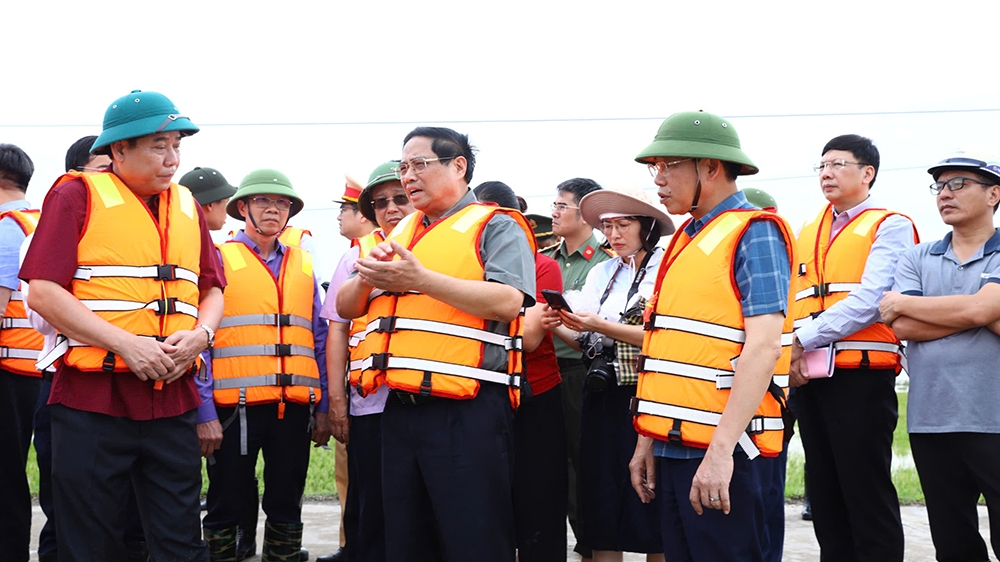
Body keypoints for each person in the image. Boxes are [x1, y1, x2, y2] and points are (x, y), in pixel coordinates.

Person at [22, 90, 224, 562]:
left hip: (172, 399)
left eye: (177, 145)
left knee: (180, 542)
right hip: (92, 398)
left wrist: (202, 335)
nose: (172, 159)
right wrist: (126, 344)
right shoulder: (75, 195)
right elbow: (43, 291)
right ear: (118, 150)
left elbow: (213, 289)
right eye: (158, 146)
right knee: (90, 542)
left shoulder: (188, 206)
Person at [336, 127, 536, 562]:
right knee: (406, 541)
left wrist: (420, 280)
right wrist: (368, 278)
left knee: (474, 538)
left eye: (419, 165)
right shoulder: (402, 232)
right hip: (400, 408)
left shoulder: (495, 225)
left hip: (468, 410)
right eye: (403, 167)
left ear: (458, 165)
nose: (408, 177)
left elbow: (508, 301)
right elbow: (346, 305)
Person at [628, 110, 795, 561]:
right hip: (674, 444)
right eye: (654, 168)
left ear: (711, 167)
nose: (658, 179)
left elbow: (763, 346)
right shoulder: (685, 238)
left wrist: (720, 453)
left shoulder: (754, 231)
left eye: (669, 166)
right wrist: (648, 440)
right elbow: (669, 347)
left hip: (729, 453)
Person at [789, 134, 916, 562]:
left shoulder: (890, 225)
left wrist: (799, 342)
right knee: (823, 488)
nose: (826, 173)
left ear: (868, 173)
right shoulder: (809, 229)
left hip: (861, 375)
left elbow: (870, 299)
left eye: (837, 164)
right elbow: (796, 300)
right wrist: (794, 351)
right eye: (821, 165)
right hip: (812, 373)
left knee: (865, 488)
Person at [202, 169, 330, 562]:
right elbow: (200, 343)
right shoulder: (219, 259)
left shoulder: (304, 265)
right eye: (263, 202)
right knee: (227, 498)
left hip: (293, 407)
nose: (274, 210)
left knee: (287, 498)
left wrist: (323, 407)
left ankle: (284, 556)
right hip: (232, 409)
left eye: (282, 203)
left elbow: (318, 337)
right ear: (242, 208)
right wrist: (203, 411)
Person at [878, 151, 1000, 561]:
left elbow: (981, 310)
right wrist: (979, 312)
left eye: (959, 184)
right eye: (940, 186)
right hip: (932, 419)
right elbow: (903, 327)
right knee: (952, 542)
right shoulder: (917, 257)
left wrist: (920, 307)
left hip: (995, 418)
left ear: (994, 194)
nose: (945, 194)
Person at [544, 186, 672, 562]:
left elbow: (663, 338)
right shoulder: (603, 271)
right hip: (600, 391)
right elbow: (585, 338)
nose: (613, 235)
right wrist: (556, 322)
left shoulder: (667, 267)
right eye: (608, 226)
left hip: (649, 390)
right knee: (600, 498)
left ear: (647, 225)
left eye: (623, 224)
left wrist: (600, 324)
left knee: (652, 499)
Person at [320, 160, 415, 562]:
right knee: (372, 500)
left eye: (401, 198)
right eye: (381, 202)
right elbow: (337, 329)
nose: (392, 208)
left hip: (428, 398)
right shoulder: (354, 258)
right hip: (371, 401)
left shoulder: (447, 251)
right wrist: (338, 402)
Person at [475, 180, 568, 562]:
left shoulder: (540, 266)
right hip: (485, 393)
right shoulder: (464, 266)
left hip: (536, 393)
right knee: (489, 500)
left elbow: (529, 338)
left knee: (538, 502)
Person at [542, 177, 612, 560]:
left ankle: (591, 547)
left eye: (561, 206)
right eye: (553, 205)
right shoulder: (548, 259)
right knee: (552, 468)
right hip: (544, 371)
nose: (554, 212)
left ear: (586, 213)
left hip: (582, 371)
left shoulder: (606, 260)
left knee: (585, 465)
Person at [0, 143, 40, 562]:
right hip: (43, 367)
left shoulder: (6, 227)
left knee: (7, 475)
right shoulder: (39, 221)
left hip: (10, 370)